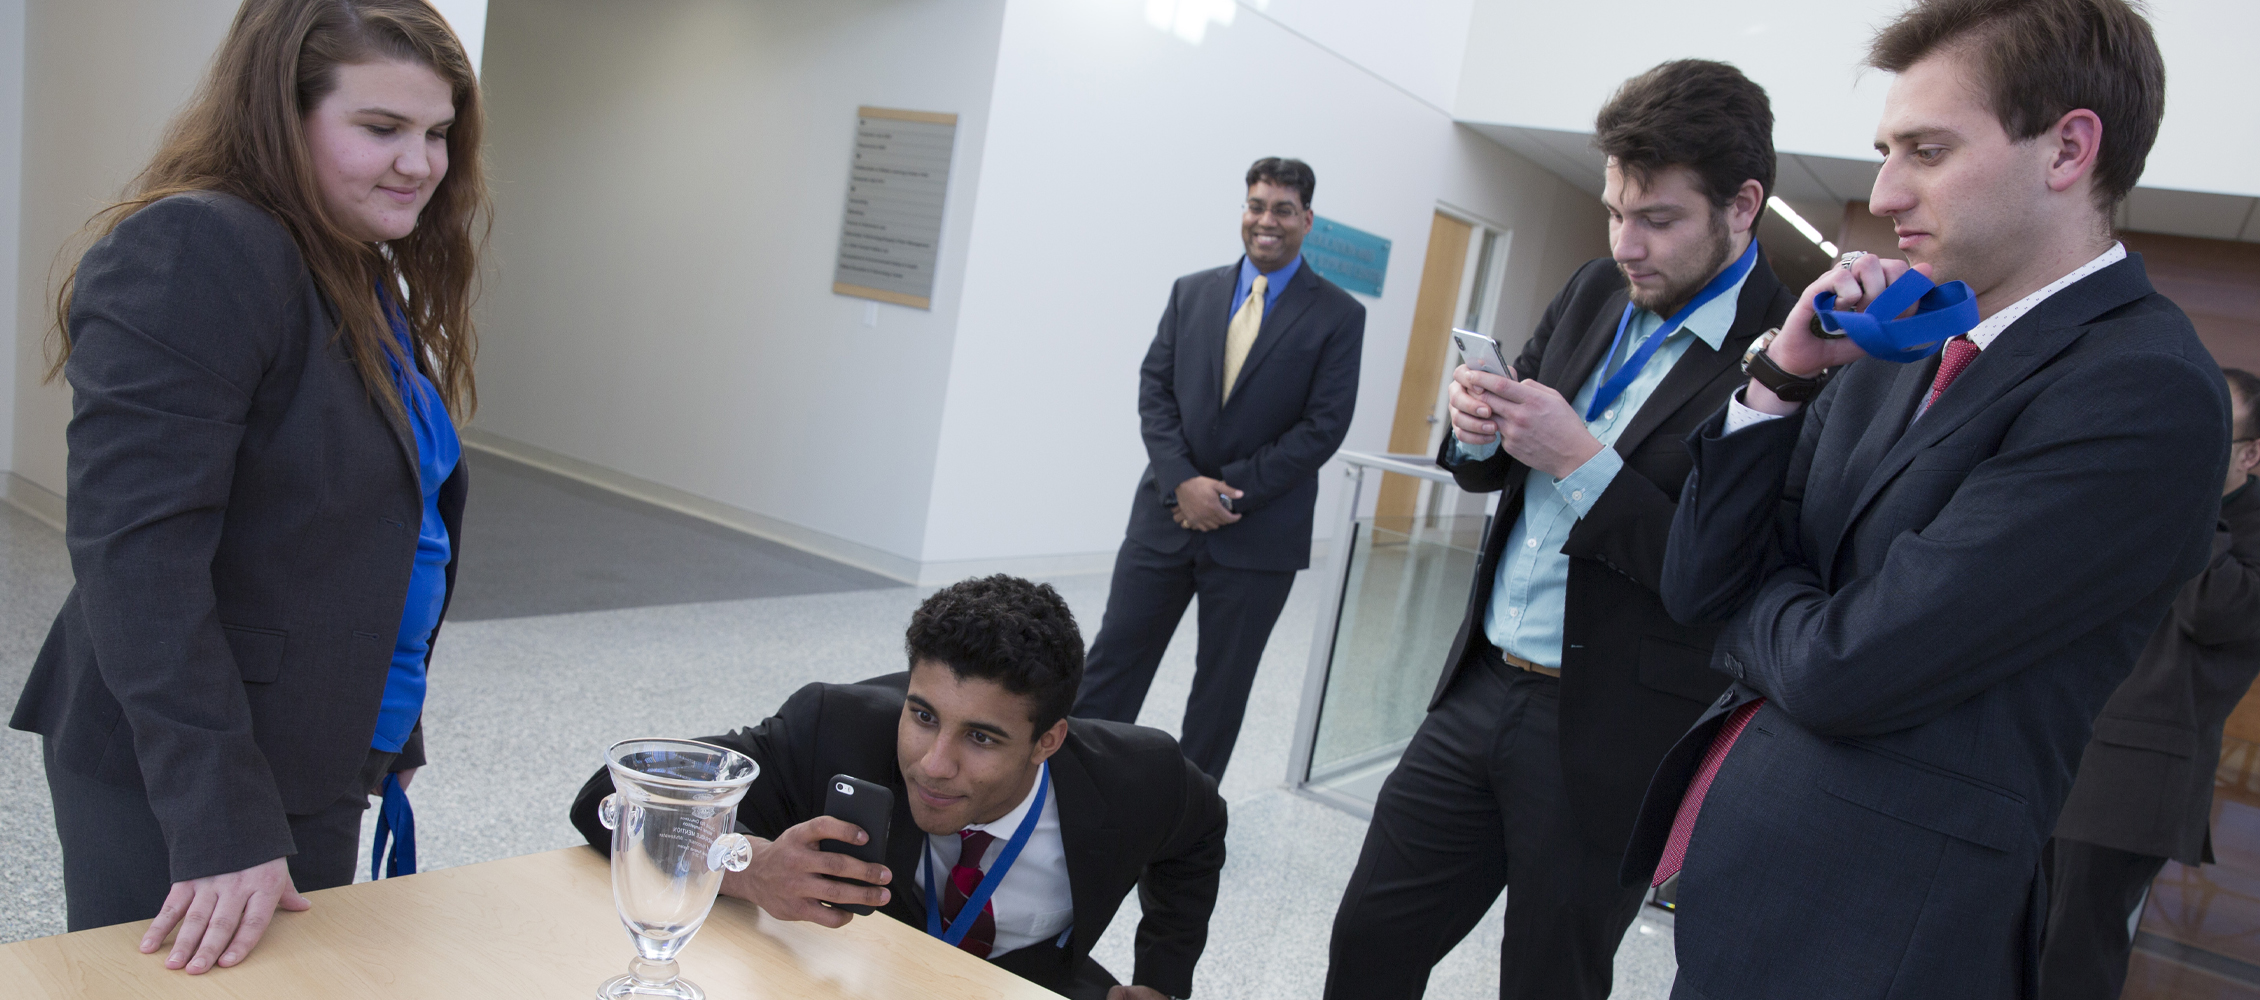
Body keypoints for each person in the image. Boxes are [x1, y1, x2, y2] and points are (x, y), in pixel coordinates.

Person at [1630, 1, 2232, 995]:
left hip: (1881, 940)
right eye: (1885, 148)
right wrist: (1781, 375)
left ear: (2068, 149)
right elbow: (1696, 578)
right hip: (1745, 888)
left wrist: (1765, 599)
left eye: (1927, 149)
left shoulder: (2143, 390)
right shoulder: (1894, 349)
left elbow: (1844, 669)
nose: (1884, 189)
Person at [10, 0, 485, 975]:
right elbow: (136, 557)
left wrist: (380, 724)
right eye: (381, 128)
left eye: (437, 132)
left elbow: (363, 527)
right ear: (279, 114)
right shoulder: (199, 248)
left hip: (315, 745)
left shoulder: (350, 266)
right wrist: (219, 817)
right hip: (191, 771)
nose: (421, 163)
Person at [1323, 61, 1794, 1000]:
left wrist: (1582, 458)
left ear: (1742, 206)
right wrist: (1472, 426)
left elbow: (1726, 578)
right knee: (1370, 940)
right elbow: (1493, 463)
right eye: (1615, 210)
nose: (1627, 244)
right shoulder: (1593, 291)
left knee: (1549, 980)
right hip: (1480, 686)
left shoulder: (1788, 356)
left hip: (1616, 730)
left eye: (1657, 219)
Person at [570, 575, 1227, 1000]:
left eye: (982, 738)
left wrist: (1163, 983)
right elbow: (612, 796)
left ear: (1049, 740)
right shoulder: (837, 729)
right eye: (923, 716)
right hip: (854, 980)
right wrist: (751, 865)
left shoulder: (1139, 776)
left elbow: (1200, 836)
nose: (934, 764)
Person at [1073, 156, 1364, 781]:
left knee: (1220, 692)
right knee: (1114, 663)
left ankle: (1181, 824)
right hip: (1163, 516)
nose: (1267, 220)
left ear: (1307, 220)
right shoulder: (1192, 291)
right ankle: (1069, 788)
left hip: (1258, 537)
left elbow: (1323, 426)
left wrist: (1226, 494)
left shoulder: (1339, 315)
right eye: (1256, 205)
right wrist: (1183, 481)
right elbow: (1155, 388)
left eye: (1282, 209)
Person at [2039, 367, 2260, 998]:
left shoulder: (2221, 519)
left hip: (2136, 780)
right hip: (2067, 744)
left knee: (2076, 951)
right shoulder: (2150, 493)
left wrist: (2191, 493)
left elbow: (2213, 612)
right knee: (2016, 933)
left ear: (2250, 453)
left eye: (2217, 431)